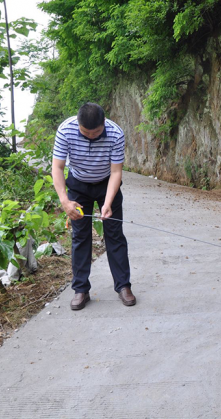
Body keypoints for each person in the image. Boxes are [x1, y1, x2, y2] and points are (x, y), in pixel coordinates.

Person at [51, 103, 136, 310]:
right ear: (78, 124)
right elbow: (58, 166)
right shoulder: (66, 130)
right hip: (78, 186)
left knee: (114, 234)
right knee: (80, 236)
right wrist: (65, 201)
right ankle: (81, 289)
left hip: (107, 183)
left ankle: (123, 286)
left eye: (96, 131)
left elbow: (116, 172)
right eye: (85, 131)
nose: (90, 135)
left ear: (104, 123)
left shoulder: (115, 133)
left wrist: (107, 204)